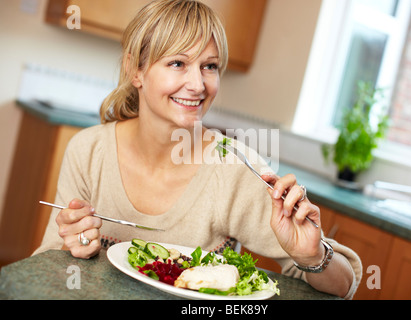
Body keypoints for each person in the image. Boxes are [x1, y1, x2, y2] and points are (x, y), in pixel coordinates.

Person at [34, 0, 362, 299]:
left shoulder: (234, 168)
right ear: (136, 70)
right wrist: (76, 244)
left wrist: (313, 256)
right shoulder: (88, 151)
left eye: (209, 66)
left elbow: (343, 286)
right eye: (178, 63)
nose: (198, 84)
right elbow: (47, 264)